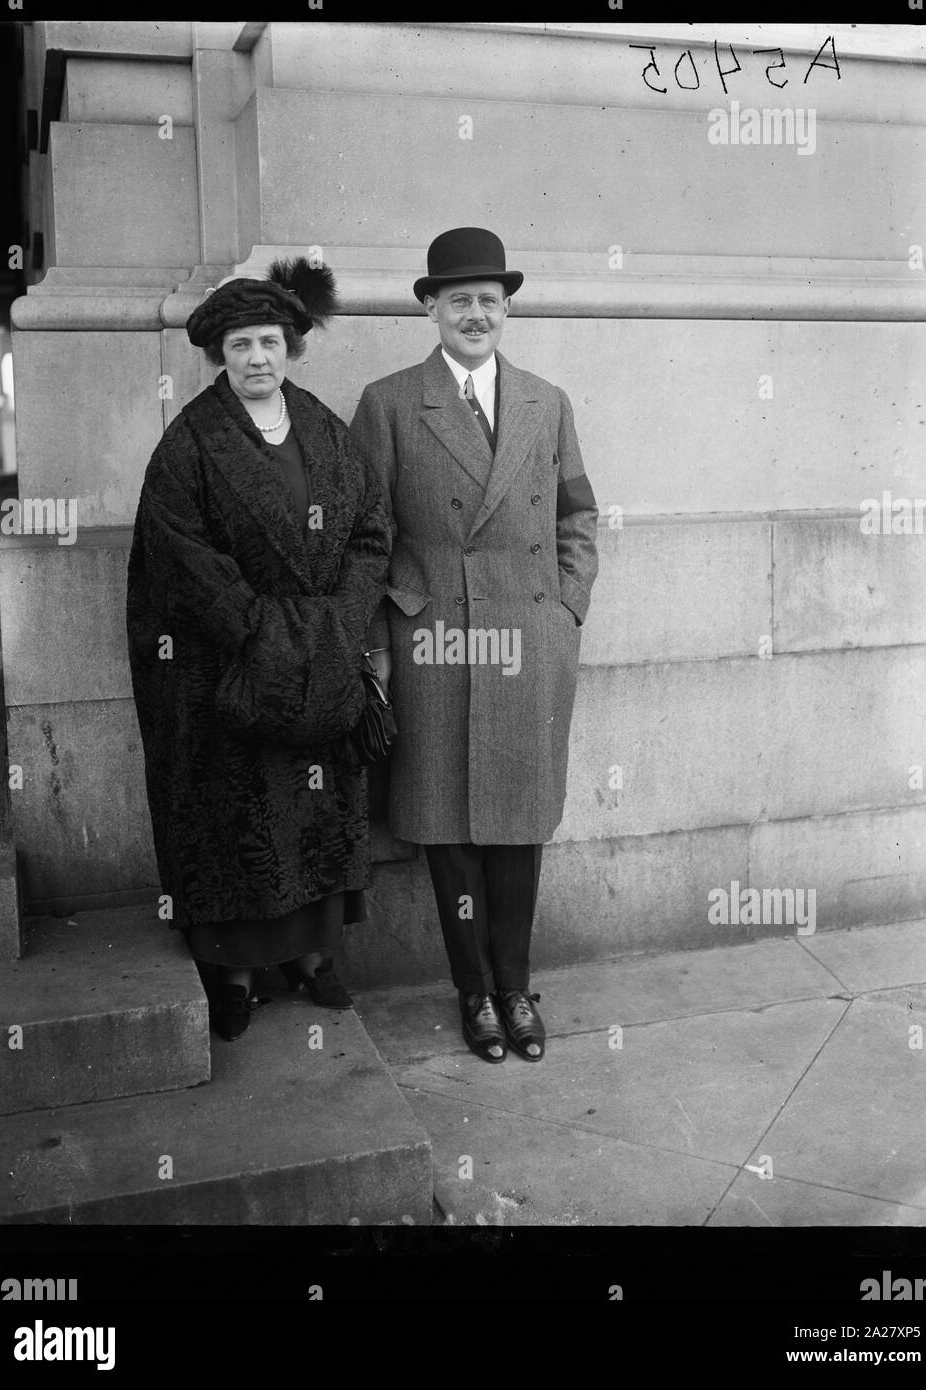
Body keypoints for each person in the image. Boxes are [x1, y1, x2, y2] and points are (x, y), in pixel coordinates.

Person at [350, 227, 598, 1064]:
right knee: (449, 827)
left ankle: (516, 988)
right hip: (435, 641)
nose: (475, 314)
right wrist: (387, 631)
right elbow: (363, 536)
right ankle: (473, 994)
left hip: (527, 637)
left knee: (516, 823)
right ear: (429, 307)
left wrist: (565, 608)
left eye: (490, 300)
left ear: (506, 309)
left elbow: (577, 517)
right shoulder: (388, 403)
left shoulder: (545, 401)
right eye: (458, 299)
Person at [126, 258, 390, 1041]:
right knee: (234, 813)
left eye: (269, 342)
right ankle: (234, 971)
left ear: (291, 348)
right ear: (220, 354)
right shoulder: (189, 445)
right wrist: (264, 632)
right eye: (240, 345)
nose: (256, 360)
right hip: (227, 663)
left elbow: (371, 533)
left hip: (318, 655)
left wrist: (337, 622)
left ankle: (308, 955)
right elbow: (180, 556)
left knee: (310, 808)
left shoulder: (325, 431)